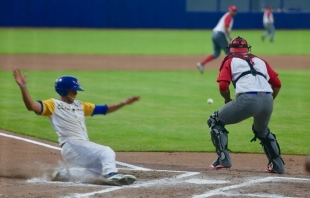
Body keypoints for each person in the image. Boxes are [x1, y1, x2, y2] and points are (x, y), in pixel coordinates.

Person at [12, 68, 141, 185]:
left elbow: (104, 109)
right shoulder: (53, 104)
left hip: (77, 147)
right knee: (106, 151)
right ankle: (112, 175)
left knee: (98, 171)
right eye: (73, 90)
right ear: (63, 90)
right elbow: (32, 106)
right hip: (72, 144)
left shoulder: (80, 105)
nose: (75, 93)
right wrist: (23, 86)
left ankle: (64, 174)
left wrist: (123, 103)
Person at [206, 36, 285, 174]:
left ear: (231, 50)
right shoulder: (260, 60)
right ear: (246, 49)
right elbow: (277, 84)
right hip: (267, 99)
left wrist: (227, 99)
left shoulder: (230, 60)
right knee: (262, 130)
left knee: (214, 121)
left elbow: (223, 86)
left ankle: (223, 159)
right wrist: (268, 100)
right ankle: (278, 165)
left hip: (247, 100)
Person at [196, 5, 238, 74]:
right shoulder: (229, 17)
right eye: (233, 11)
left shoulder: (227, 16)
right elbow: (226, 27)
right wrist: (230, 37)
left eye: (235, 11)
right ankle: (231, 70)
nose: (234, 12)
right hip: (219, 35)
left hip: (214, 34)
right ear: (229, 10)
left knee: (216, 53)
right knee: (229, 53)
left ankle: (201, 64)